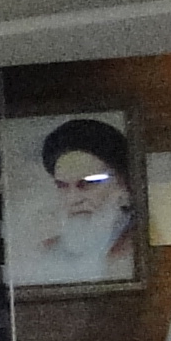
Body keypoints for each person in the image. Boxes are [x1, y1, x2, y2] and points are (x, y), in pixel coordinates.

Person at [21, 115, 137, 283]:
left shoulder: (136, 247)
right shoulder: (47, 252)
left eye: (87, 184)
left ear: (123, 185)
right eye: (62, 186)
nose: (73, 199)